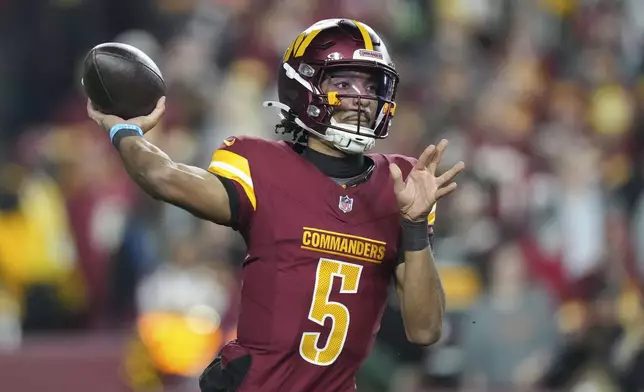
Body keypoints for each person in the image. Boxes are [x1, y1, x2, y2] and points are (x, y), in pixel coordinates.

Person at [87, 18, 464, 392]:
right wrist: (123, 129)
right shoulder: (261, 165)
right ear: (304, 84)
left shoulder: (399, 184)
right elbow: (162, 176)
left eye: (371, 84)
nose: (361, 98)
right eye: (344, 82)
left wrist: (414, 226)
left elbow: (426, 329)